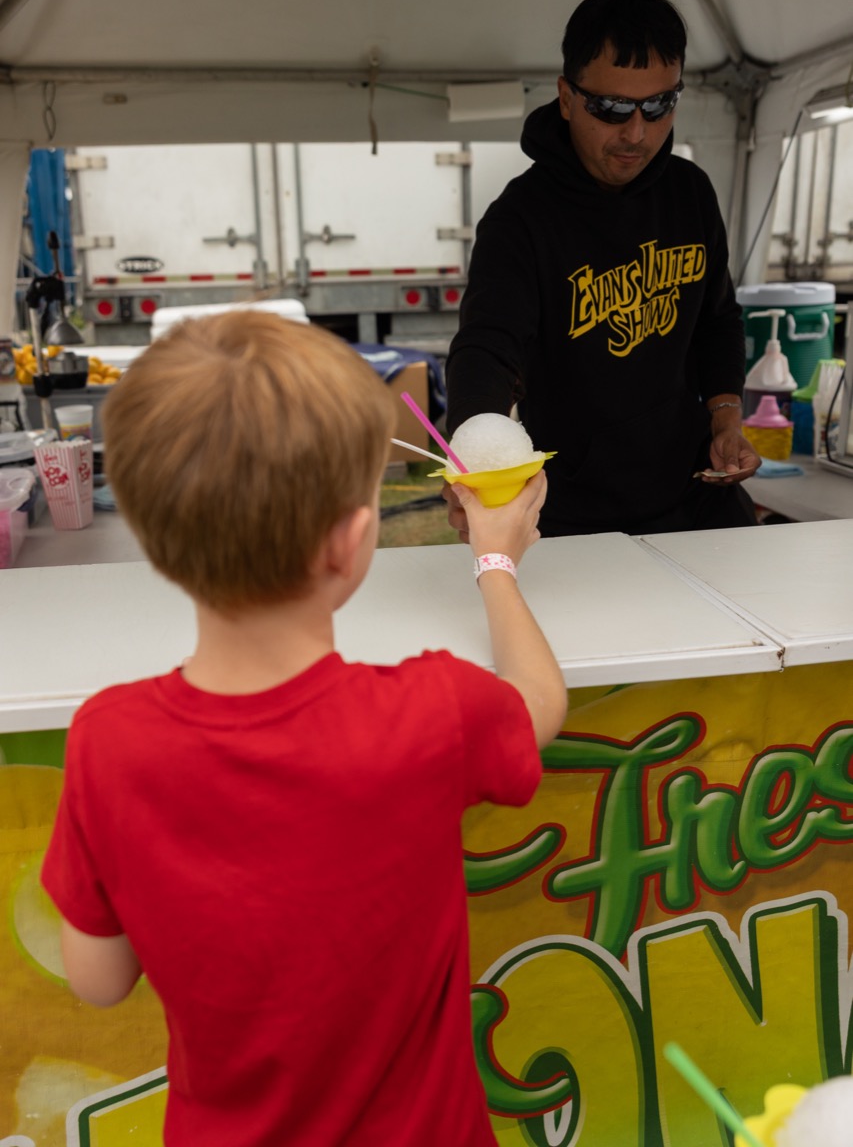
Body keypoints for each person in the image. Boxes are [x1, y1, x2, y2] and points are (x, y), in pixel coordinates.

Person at [40, 310, 567, 1147]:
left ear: (151, 537)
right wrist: (495, 558)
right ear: (352, 543)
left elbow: (98, 979)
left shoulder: (108, 740)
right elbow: (538, 699)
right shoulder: (432, 712)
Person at [444, 0, 761, 539]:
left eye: (659, 106)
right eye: (612, 108)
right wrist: (475, 458)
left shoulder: (691, 192)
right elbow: (488, 351)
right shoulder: (520, 220)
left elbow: (718, 320)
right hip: (576, 514)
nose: (636, 133)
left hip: (694, 494)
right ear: (567, 98)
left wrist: (726, 419)